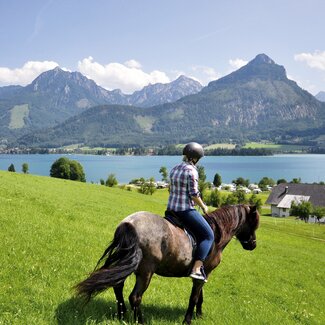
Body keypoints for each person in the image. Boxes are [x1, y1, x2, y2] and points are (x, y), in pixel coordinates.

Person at [167, 142, 214, 282]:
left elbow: (171, 189)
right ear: (195, 158)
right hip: (185, 211)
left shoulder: (174, 168)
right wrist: (204, 206)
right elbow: (194, 194)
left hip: (170, 210)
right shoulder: (192, 171)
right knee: (208, 236)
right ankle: (197, 269)